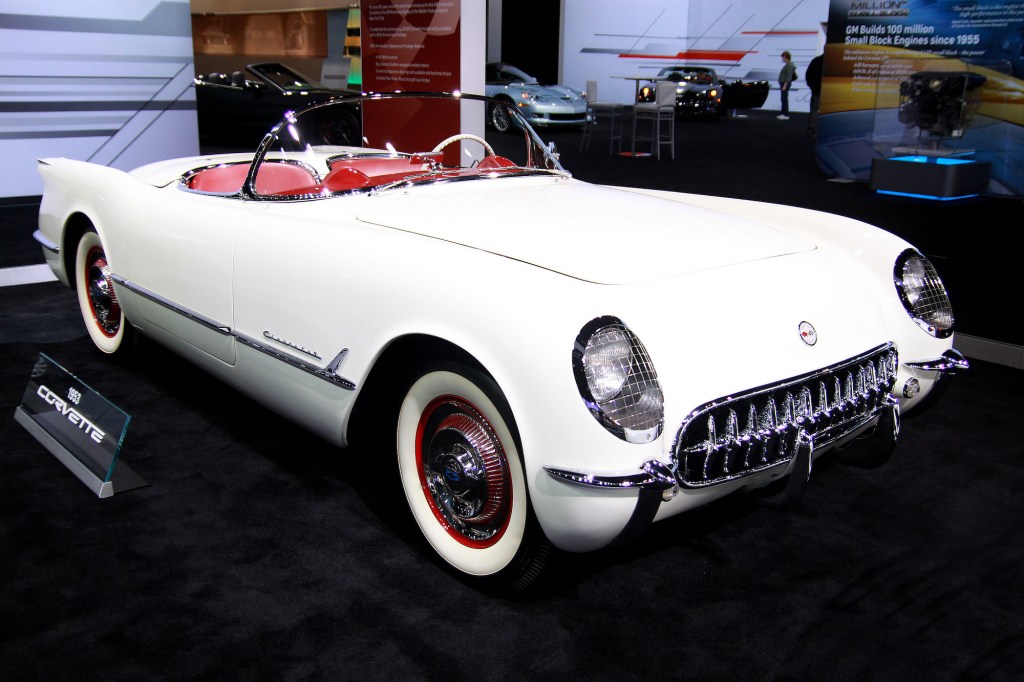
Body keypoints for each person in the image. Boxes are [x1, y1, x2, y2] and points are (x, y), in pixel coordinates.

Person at [805, 53, 823, 136]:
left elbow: (808, 74)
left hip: (816, 90)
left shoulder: (816, 60)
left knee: (814, 110)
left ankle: (811, 129)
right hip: (829, 91)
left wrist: (812, 86)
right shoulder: (834, 61)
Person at [777, 51, 797, 120]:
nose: (782, 59)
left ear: (786, 57)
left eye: (783, 57)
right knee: (783, 99)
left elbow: (788, 77)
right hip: (784, 84)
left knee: (784, 99)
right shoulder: (788, 65)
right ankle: (783, 113)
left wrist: (785, 85)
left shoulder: (789, 65)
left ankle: (785, 114)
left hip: (785, 84)